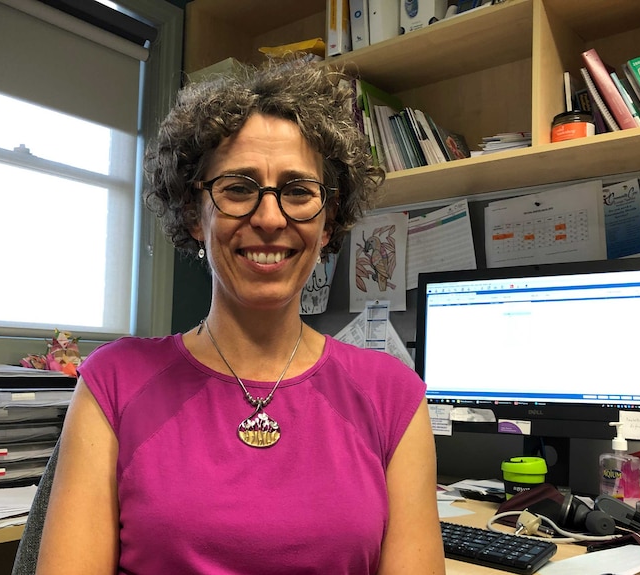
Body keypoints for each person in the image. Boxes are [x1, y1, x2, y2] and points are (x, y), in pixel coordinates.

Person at [35, 58, 445, 575]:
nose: (270, 218)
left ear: (327, 222)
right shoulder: (113, 382)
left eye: (299, 191)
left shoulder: (393, 397)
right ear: (194, 213)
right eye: (237, 188)